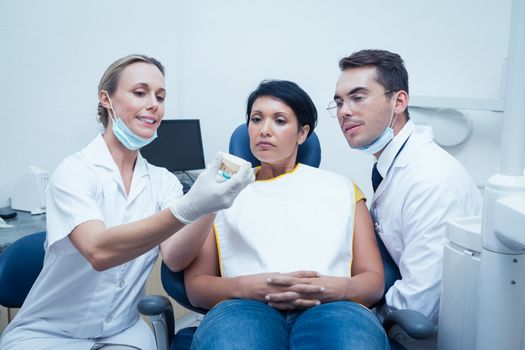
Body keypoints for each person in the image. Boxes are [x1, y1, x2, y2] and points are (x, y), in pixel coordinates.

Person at [0, 54, 254, 350]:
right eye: (139, 92)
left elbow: (175, 256)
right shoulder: (75, 172)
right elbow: (98, 251)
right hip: (48, 333)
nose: (154, 104)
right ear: (106, 99)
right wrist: (191, 206)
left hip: (122, 331)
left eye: (160, 96)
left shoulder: (163, 182)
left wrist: (213, 204)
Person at [181, 80, 390, 350]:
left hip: (333, 307)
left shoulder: (342, 189)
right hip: (243, 308)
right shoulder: (220, 192)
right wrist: (247, 288)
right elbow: (196, 287)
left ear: (302, 133)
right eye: (256, 119)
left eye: (279, 121)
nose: (264, 130)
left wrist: (328, 289)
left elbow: (373, 281)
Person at [329, 49, 482, 325]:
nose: (344, 111)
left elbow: (420, 304)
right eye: (339, 102)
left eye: (358, 97)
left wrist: (362, 319)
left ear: (398, 101)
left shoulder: (430, 181)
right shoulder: (391, 165)